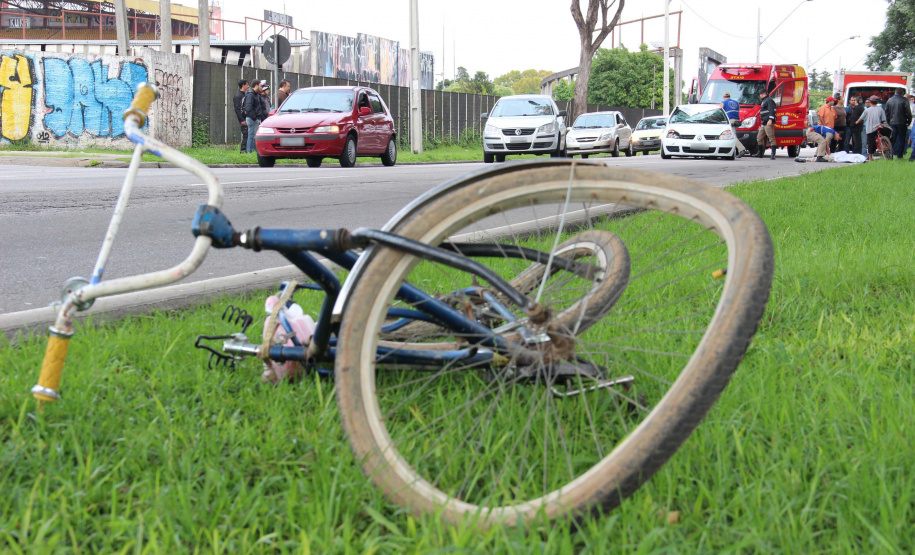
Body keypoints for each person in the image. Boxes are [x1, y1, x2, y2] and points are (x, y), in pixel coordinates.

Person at [856, 96, 888, 161]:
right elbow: (884, 120)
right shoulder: (880, 109)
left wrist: (856, 122)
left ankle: (870, 158)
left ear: (870, 102)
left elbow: (860, 119)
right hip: (879, 128)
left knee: (870, 143)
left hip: (870, 129)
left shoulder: (867, 110)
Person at [885, 87, 912, 158]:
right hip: (902, 122)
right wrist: (908, 121)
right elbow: (908, 112)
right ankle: (900, 154)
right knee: (902, 139)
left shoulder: (889, 100)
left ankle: (890, 153)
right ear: (902, 93)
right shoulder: (904, 100)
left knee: (892, 138)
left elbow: (887, 112)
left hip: (892, 122)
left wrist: (889, 121)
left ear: (895, 92)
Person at [243, 80, 268, 153]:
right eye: (260, 86)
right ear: (256, 85)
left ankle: (253, 151)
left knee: (254, 136)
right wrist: (254, 118)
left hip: (255, 118)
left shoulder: (256, 94)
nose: (261, 87)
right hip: (252, 119)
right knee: (251, 136)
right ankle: (250, 152)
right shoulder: (250, 95)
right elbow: (248, 108)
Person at [721, 92, 747, 157]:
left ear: (724, 97)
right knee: (733, 135)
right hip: (737, 121)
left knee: (733, 137)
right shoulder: (736, 103)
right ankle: (735, 151)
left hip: (730, 121)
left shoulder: (723, 102)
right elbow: (738, 110)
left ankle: (742, 149)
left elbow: (721, 111)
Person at [756, 89, 777, 159]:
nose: (760, 95)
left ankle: (773, 154)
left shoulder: (769, 100)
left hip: (768, 122)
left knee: (771, 137)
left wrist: (770, 119)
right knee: (759, 138)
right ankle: (760, 153)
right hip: (764, 122)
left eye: (761, 94)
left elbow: (772, 111)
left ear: (763, 94)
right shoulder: (764, 101)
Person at [232, 79, 249, 153]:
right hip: (243, 118)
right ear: (243, 85)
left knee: (248, 134)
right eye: (247, 85)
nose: (248, 86)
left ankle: (247, 150)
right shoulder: (238, 96)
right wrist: (241, 120)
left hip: (247, 117)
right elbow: (237, 109)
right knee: (246, 134)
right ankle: (243, 150)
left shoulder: (245, 94)